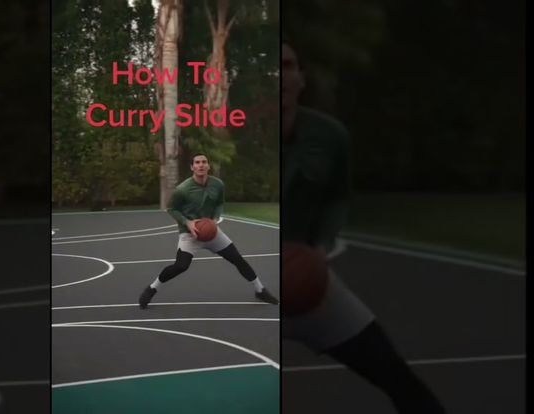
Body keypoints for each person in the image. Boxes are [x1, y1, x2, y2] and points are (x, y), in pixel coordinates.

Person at [282, 43, 446, 414]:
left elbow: (338, 197)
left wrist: (320, 247)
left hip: (309, 286)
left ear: (301, 78)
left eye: (288, 65)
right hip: (253, 296)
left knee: (399, 379)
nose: (280, 75)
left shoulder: (330, 136)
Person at [139, 154, 279, 308]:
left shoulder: (218, 184)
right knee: (181, 266)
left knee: (237, 259)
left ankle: (260, 290)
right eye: (197, 163)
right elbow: (171, 209)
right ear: (192, 167)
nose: (201, 165)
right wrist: (188, 222)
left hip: (211, 232)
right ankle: (152, 288)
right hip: (190, 233)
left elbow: (219, 203)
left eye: (204, 162)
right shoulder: (183, 189)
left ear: (208, 166)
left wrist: (215, 219)